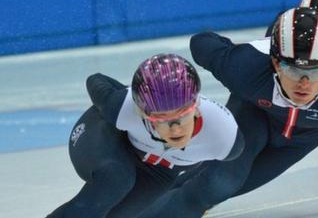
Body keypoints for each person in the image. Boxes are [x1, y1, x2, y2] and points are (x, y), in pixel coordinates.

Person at [141, 3, 318, 217]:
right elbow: (202, 43)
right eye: (293, 69)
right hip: (254, 112)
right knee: (218, 182)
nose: (304, 83)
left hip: (302, 138)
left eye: (315, 70)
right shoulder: (247, 66)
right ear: (275, 60)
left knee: (226, 186)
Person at [45, 53, 245, 218]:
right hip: (106, 136)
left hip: (158, 172)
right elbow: (96, 80)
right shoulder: (123, 108)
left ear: (196, 106)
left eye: (182, 116)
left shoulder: (224, 137)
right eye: (162, 119)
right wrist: (131, 93)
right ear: (142, 113)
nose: (175, 129)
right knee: (116, 179)